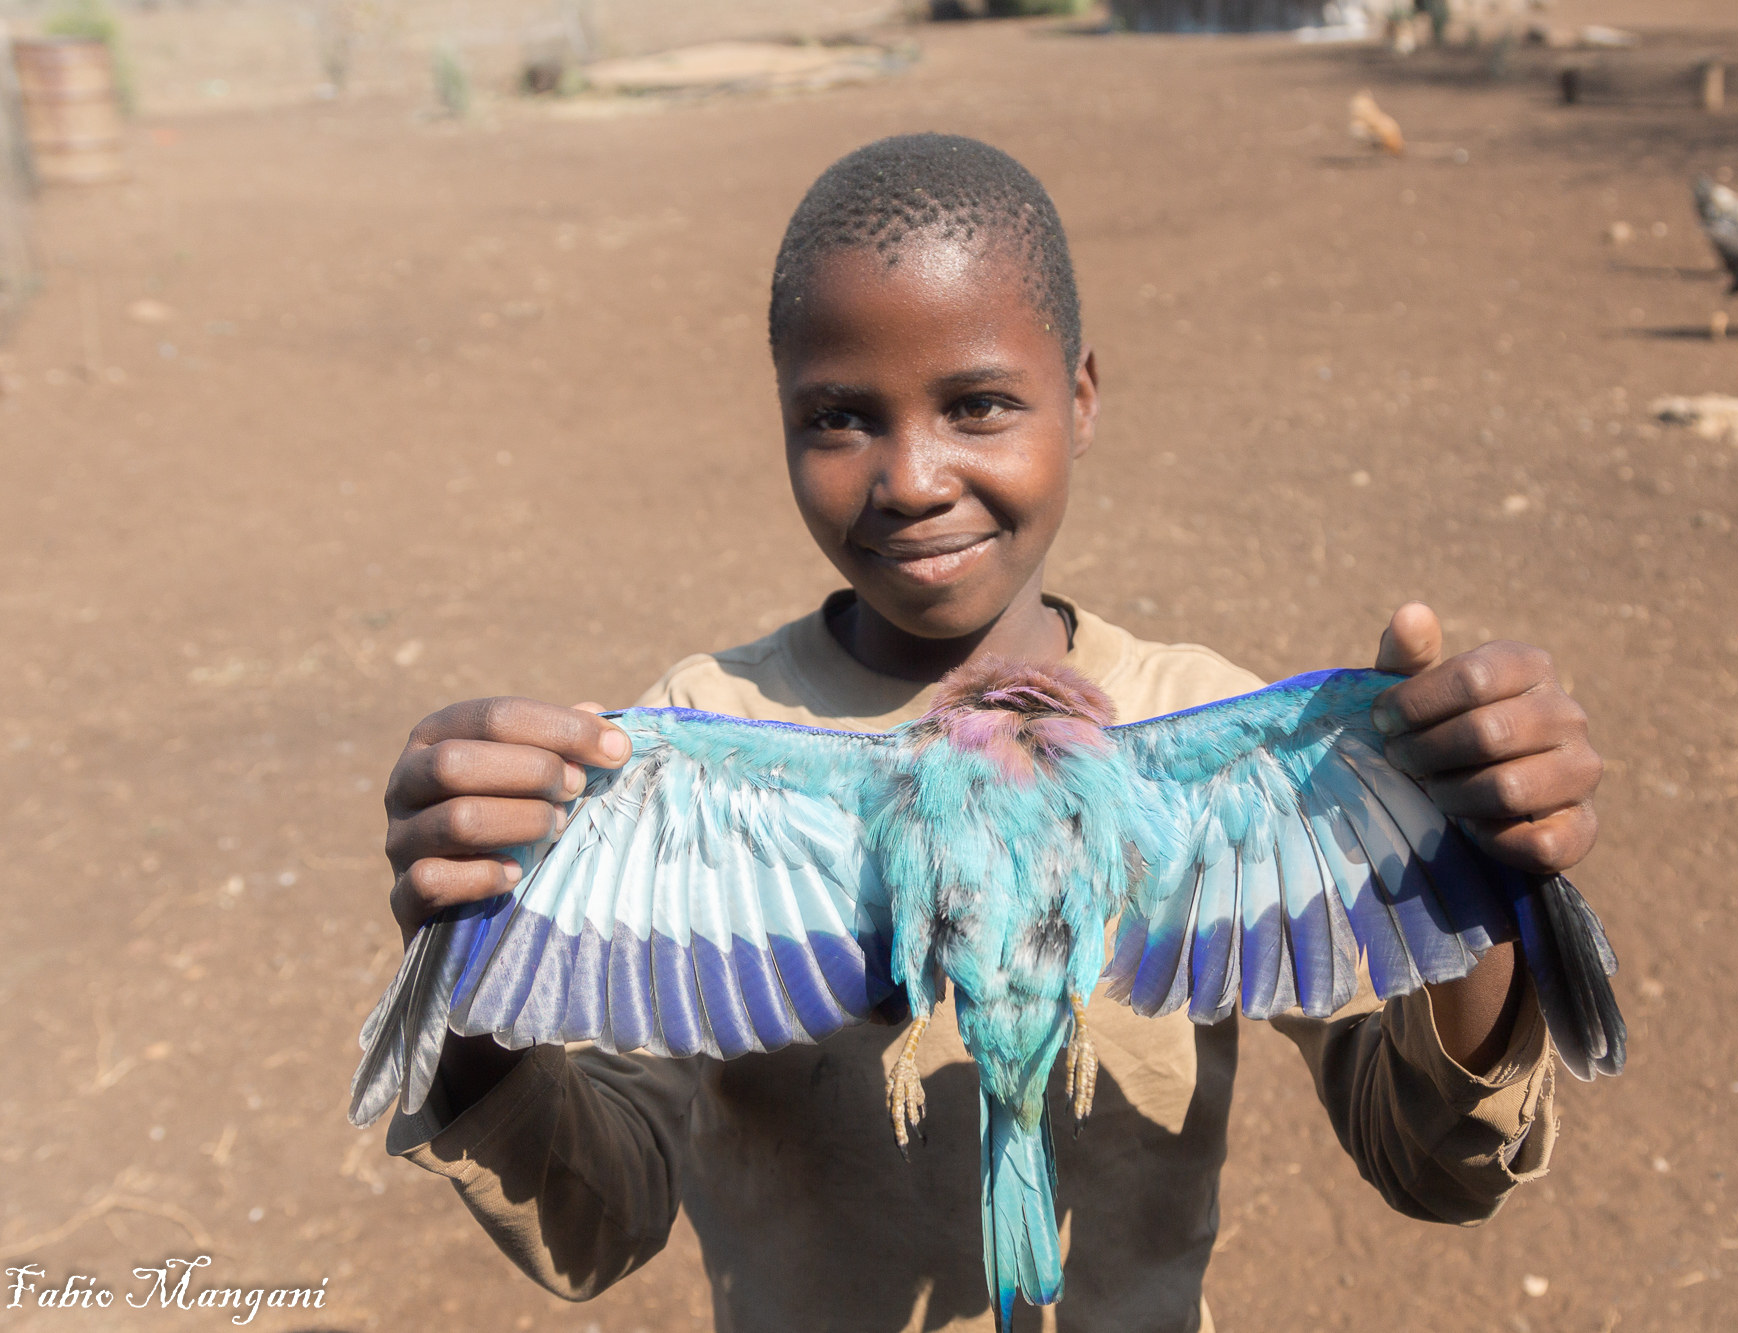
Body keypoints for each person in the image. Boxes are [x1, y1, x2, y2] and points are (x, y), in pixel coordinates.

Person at [375, 134, 1603, 1333]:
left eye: (976, 404)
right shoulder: (689, 745)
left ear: (1079, 398)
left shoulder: (1216, 725)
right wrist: (482, 948)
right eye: (839, 417)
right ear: (781, 425)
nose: (910, 476)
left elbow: (1439, 1167)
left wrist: (1474, 862)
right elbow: (599, 1219)